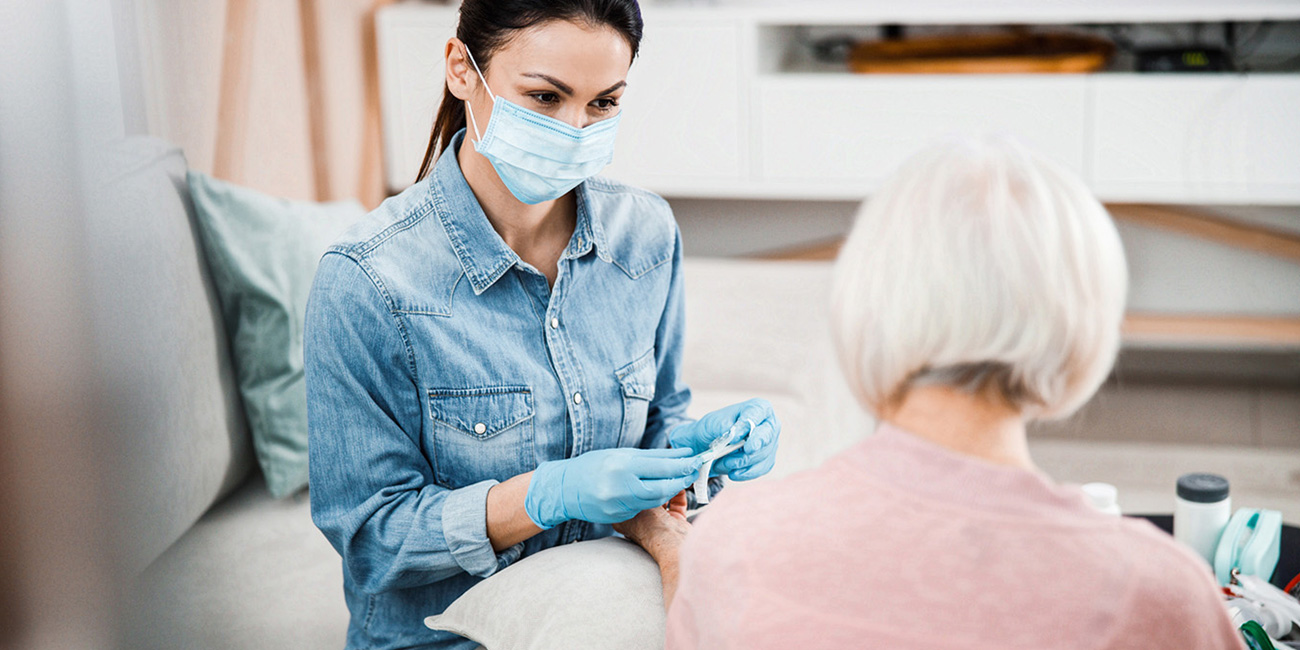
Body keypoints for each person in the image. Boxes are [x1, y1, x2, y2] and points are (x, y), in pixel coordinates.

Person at [616, 136, 1245, 649]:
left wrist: (676, 552)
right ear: (1082, 330)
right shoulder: (1159, 591)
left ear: (864, 308)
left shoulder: (736, 539)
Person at [302, 2, 780, 649]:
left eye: (603, 103)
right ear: (461, 70)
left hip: (602, 607)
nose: (576, 129)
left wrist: (696, 451)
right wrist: (544, 495)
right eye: (545, 96)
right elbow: (372, 543)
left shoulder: (644, 235)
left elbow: (659, 414)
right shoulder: (368, 278)